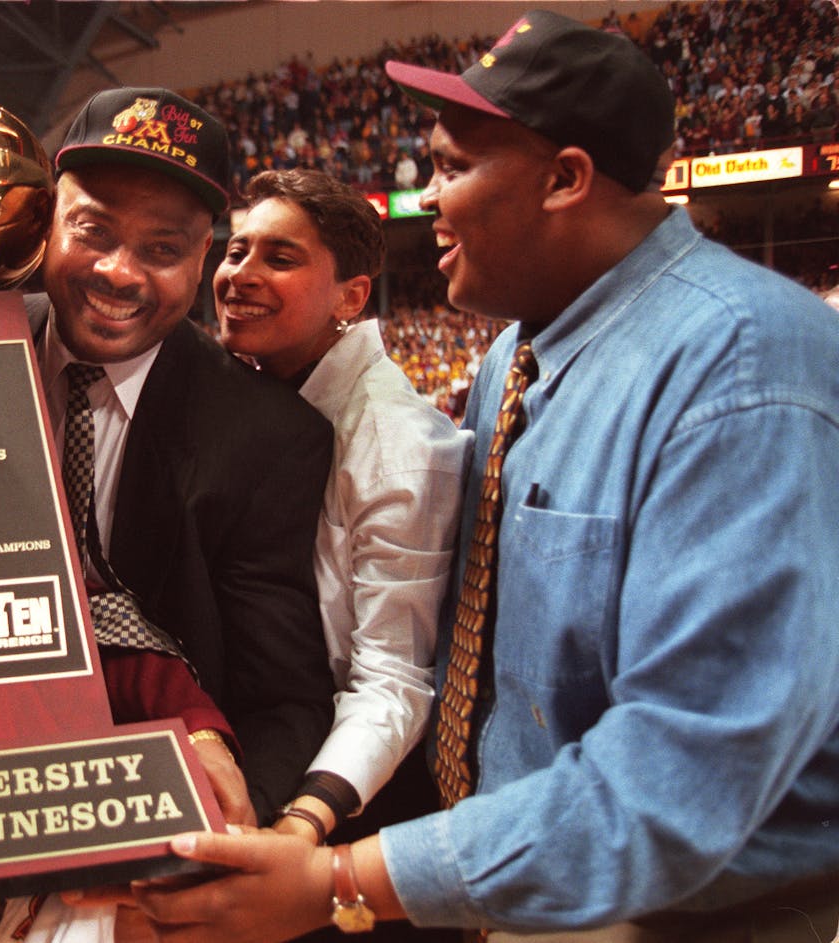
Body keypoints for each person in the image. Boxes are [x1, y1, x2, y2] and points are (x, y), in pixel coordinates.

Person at [135, 11, 839, 942]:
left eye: (453, 169)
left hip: (689, 909)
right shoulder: (516, 350)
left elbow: (689, 768)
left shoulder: (745, 365)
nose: (429, 201)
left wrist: (335, 875)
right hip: (510, 872)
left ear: (565, 178)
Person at [0, 86, 337, 941]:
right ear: (46, 222)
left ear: (203, 258)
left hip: (134, 862)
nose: (119, 272)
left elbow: (284, 698)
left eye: (163, 248)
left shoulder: (266, 436)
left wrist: (205, 853)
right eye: (94, 230)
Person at [214, 169, 468, 943]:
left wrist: (303, 823)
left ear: (351, 298)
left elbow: (392, 678)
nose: (239, 276)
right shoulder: (242, 391)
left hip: (358, 794)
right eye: (236, 250)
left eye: (280, 258)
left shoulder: (399, 448)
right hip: (253, 750)